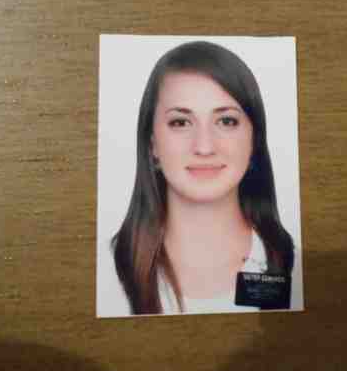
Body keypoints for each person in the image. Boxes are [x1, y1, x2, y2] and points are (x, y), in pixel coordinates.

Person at [111, 41, 294, 315]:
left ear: (254, 140)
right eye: (181, 122)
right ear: (152, 144)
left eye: (227, 121)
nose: (205, 147)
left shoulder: (295, 266)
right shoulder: (104, 272)